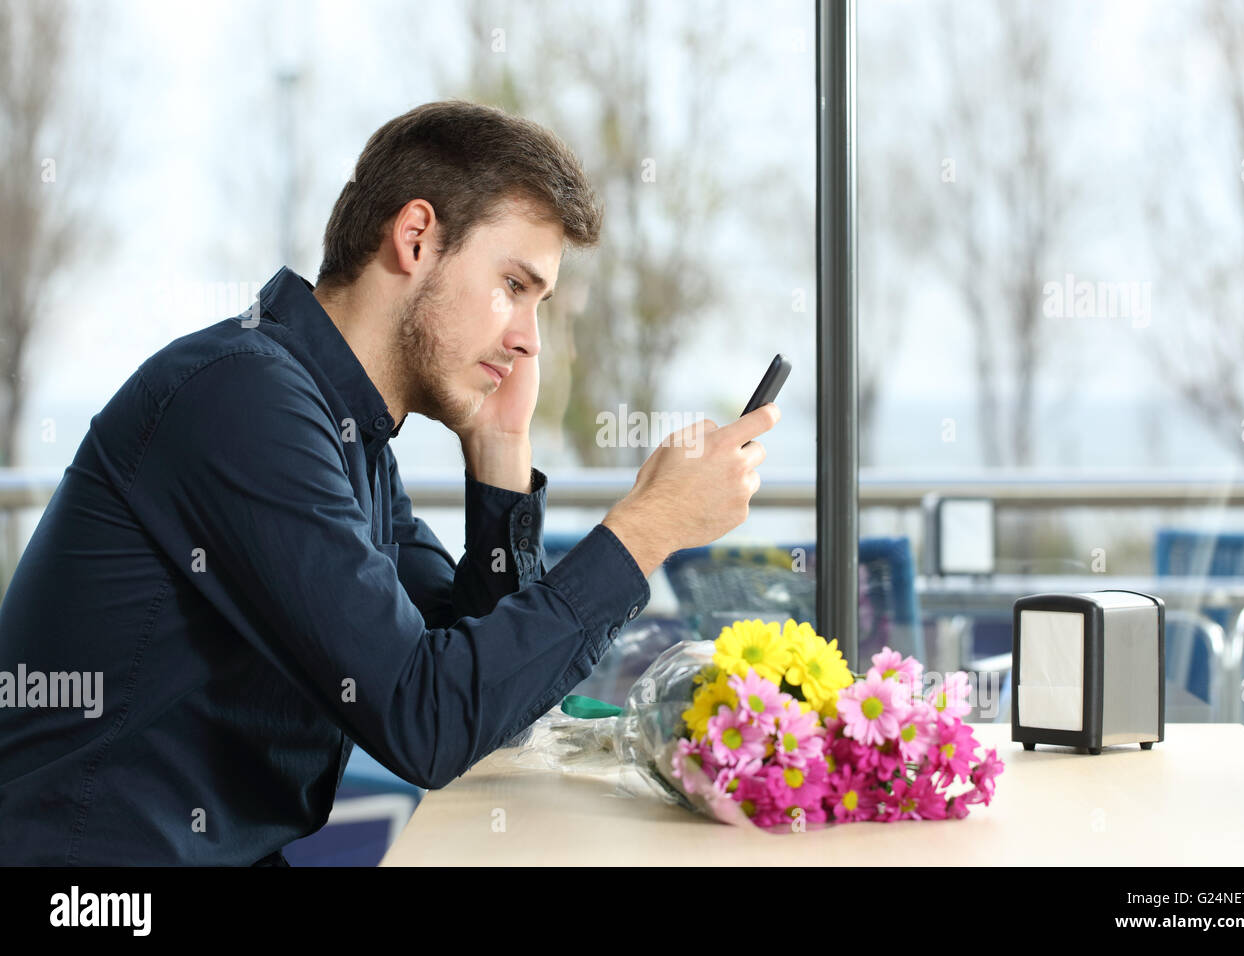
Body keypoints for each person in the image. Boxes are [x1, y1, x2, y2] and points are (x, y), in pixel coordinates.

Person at [0, 100, 780, 865]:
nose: (527, 341)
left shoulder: (346, 433)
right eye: (515, 286)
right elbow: (427, 720)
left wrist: (501, 449)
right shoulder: (242, 400)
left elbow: (486, 701)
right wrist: (649, 528)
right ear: (415, 239)